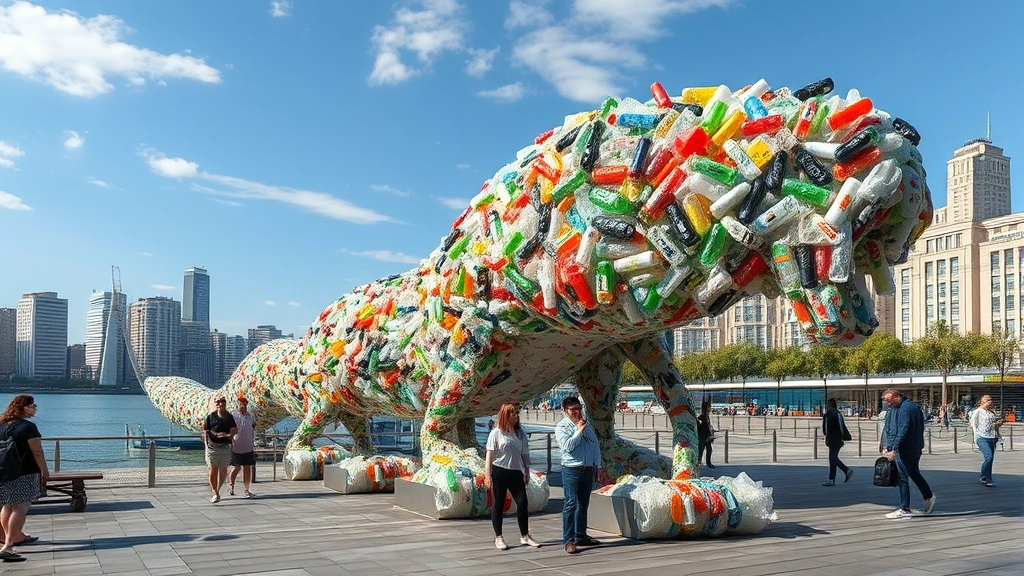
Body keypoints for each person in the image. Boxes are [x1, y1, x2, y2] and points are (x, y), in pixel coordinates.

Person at [484, 403, 540, 551]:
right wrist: (487, 474)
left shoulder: (519, 433)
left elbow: (524, 453)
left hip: (516, 471)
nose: (515, 417)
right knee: (499, 503)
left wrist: (527, 470)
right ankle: (499, 536)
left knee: (522, 503)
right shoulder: (496, 433)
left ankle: (525, 535)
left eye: (516, 414)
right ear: (505, 416)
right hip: (500, 470)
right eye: (512, 414)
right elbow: (489, 454)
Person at [0, 395, 49, 563]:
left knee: (7, 505)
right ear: (24, 408)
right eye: (33, 406)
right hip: (25, 471)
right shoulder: (28, 427)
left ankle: (10, 538)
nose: (35, 409)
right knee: (21, 506)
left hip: (4, 472)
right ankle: (8, 545)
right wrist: (45, 471)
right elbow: (37, 452)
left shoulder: (2, 425)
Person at [555, 396, 601, 555]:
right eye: (573, 410)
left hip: (587, 468)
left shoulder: (586, 424)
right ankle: (568, 540)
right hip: (571, 469)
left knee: (583, 503)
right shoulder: (562, 427)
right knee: (570, 503)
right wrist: (579, 430)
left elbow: (594, 443)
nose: (576, 413)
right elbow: (568, 446)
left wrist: (598, 465)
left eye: (578, 409)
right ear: (565, 411)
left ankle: (581, 535)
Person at [881, 389, 935, 519]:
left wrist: (893, 447)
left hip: (905, 448)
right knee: (914, 473)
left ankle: (905, 508)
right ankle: (928, 496)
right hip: (914, 447)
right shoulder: (909, 407)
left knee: (902, 477)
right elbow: (891, 427)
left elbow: (903, 429)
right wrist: (886, 445)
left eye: (889, 400)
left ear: (897, 397)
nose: (887, 404)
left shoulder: (904, 409)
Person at [202, 397, 237, 503]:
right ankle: (215, 492)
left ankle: (217, 489)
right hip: (213, 446)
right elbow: (205, 430)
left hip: (225, 446)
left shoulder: (229, 417)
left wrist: (226, 435)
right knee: (213, 468)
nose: (220, 404)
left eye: (222, 402)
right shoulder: (210, 416)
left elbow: (234, 430)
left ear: (225, 403)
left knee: (223, 469)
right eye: (217, 402)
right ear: (215, 404)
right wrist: (206, 445)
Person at [969, 395, 1004, 487]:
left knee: (991, 458)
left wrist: (998, 424)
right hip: (982, 437)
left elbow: (993, 425)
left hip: (992, 437)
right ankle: (985, 477)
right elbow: (973, 424)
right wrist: (975, 438)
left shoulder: (991, 412)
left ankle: (987, 477)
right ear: (982, 401)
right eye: (988, 400)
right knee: (988, 456)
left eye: (991, 400)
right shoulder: (977, 412)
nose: (990, 401)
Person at [229, 397, 257, 498]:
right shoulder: (233, 415)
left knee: (247, 467)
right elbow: (230, 428)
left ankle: (247, 489)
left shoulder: (250, 416)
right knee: (236, 467)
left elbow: (253, 426)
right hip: (236, 446)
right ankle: (231, 485)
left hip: (248, 446)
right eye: (240, 403)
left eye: (244, 403)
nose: (242, 405)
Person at [821, 398, 852, 486]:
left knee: (833, 458)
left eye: (827, 404)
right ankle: (831, 479)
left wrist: (826, 436)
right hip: (838, 438)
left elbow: (826, 427)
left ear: (830, 405)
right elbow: (842, 426)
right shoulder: (838, 414)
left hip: (832, 438)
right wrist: (843, 436)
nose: (826, 406)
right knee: (832, 458)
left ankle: (846, 470)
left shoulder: (828, 414)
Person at [696, 402, 715, 469]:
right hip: (703, 437)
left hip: (707, 437)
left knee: (709, 450)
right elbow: (699, 428)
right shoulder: (701, 417)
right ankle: (698, 462)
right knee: (701, 450)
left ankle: (708, 463)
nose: (710, 408)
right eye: (709, 407)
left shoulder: (707, 416)